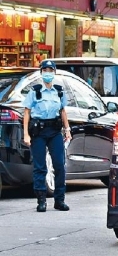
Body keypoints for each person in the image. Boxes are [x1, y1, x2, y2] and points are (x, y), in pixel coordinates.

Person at [22, 60, 71, 212]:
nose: (48, 73)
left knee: (59, 165)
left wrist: (67, 129)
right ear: (41, 72)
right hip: (39, 132)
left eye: (51, 70)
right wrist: (26, 135)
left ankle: (59, 200)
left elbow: (62, 111)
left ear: (54, 72)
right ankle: (41, 200)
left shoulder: (59, 91)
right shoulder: (35, 91)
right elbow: (27, 112)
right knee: (40, 167)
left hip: (54, 131)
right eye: (45, 70)